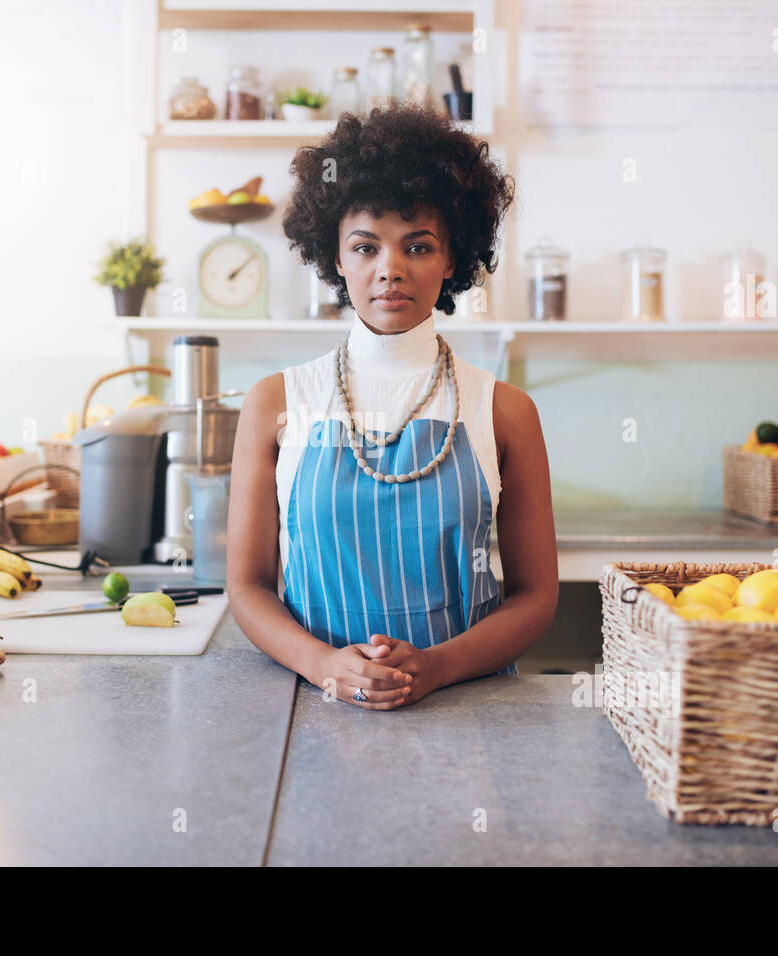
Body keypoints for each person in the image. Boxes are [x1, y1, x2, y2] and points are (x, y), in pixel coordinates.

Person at [227, 105, 558, 709]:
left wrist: (436, 667)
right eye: (364, 246)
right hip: (314, 712)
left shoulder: (505, 411)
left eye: (419, 245)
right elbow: (248, 588)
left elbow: (536, 597)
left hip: (469, 711)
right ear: (334, 258)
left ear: (454, 259)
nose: (390, 270)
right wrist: (324, 664)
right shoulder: (275, 402)